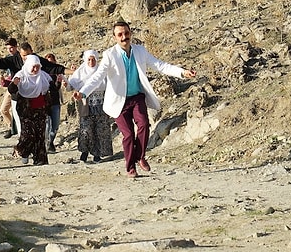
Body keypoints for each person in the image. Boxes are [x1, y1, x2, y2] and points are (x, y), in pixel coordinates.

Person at [73, 21, 197, 178]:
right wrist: (83, 93)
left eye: (126, 33)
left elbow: (160, 65)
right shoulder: (110, 55)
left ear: (130, 33)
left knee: (144, 124)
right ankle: (130, 166)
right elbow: (97, 77)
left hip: (137, 97)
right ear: (115, 37)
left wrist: (182, 72)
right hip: (119, 100)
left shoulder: (140, 51)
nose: (124, 37)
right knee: (129, 135)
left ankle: (140, 156)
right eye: (120, 34)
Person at [0, 38, 68, 138]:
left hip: (36, 100)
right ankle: (15, 132)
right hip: (17, 96)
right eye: (24, 56)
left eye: (28, 55)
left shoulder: (40, 69)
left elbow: (54, 71)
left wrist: (73, 73)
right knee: (17, 121)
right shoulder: (17, 66)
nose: (26, 58)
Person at [65, 50, 113, 162]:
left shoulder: (102, 72)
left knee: (100, 131)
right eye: (89, 59)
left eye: (93, 59)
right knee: (86, 130)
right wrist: (65, 83)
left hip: (101, 106)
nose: (91, 62)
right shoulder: (80, 73)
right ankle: (84, 153)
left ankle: (97, 155)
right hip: (86, 106)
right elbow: (70, 86)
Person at [8, 54, 53, 166]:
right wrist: (14, 84)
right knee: (28, 134)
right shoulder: (21, 75)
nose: (35, 69)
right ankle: (23, 151)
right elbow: (11, 90)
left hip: (41, 109)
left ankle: (40, 159)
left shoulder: (43, 76)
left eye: (37, 66)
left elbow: (52, 87)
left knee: (40, 135)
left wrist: (57, 84)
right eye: (33, 67)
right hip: (25, 109)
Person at [44, 53, 64, 153]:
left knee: (55, 125)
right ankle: (47, 144)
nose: (50, 64)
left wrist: (59, 82)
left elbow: (57, 88)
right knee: (47, 124)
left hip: (55, 102)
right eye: (48, 62)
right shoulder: (42, 74)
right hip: (46, 103)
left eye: (52, 62)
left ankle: (50, 141)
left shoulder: (57, 73)